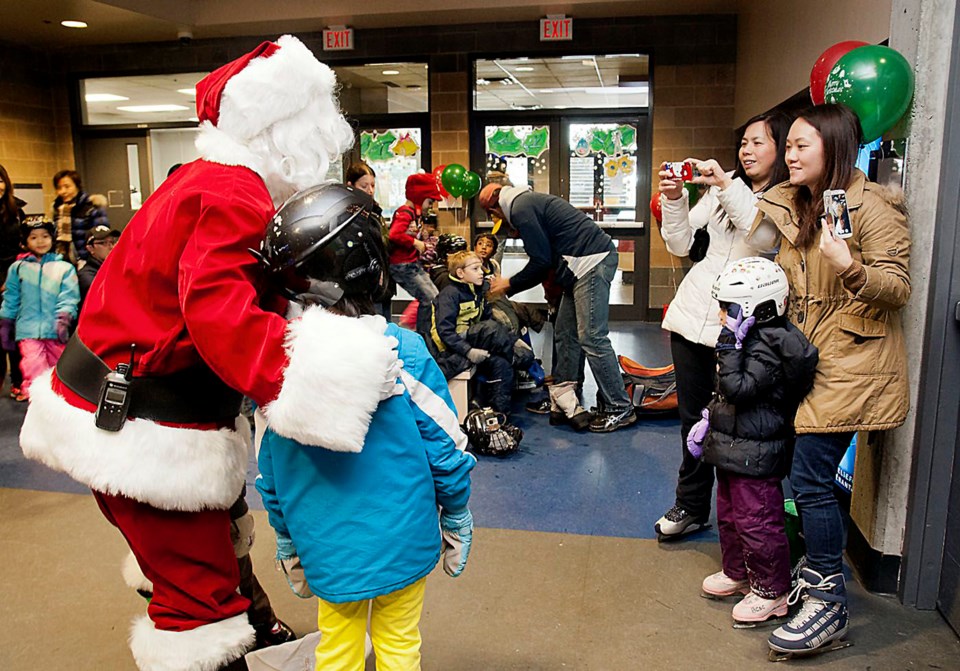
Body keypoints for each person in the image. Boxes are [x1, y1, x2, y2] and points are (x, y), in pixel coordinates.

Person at [19, 36, 401, 671]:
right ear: (283, 130)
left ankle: (256, 631)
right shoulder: (234, 193)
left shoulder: (204, 180)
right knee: (196, 598)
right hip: (143, 426)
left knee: (219, 538)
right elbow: (218, 311)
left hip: (118, 406)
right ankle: (216, 643)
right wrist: (318, 381)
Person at [255, 182, 475, 671]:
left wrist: (287, 535)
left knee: (337, 648)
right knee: (400, 644)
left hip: (327, 548)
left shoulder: (276, 365)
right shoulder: (405, 353)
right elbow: (445, 447)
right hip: (404, 539)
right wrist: (457, 512)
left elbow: (267, 468)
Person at [750, 103, 910, 658]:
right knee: (804, 477)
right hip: (807, 356)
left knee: (812, 476)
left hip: (853, 359)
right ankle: (817, 577)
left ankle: (829, 601)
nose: (789, 156)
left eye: (800, 146)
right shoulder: (799, 205)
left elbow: (897, 287)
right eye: (787, 146)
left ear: (835, 147)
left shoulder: (870, 209)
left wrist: (851, 268)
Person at [654, 111, 793, 541]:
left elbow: (767, 237)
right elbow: (682, 245)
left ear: (781, 149)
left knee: (738, 427)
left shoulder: (788, 196)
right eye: (744, 143)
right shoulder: (719, 193)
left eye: (759, 143)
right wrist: (676, 200)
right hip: (691, 321)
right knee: (693, 424)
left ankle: (744, 521)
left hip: (744, 331)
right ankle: (692, 506)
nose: (747, 151)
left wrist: (726, 185)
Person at [687, 257, 818, 627]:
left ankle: (771, 590)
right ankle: (738, 572)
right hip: (735, 447)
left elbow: (738, 388)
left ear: (754, 308)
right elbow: (725, 394)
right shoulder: (751, 339)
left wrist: (728, 345)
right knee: (729, 516)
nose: (721, 315)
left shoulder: (770, 345)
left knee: (757, 521)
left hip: (756, 454)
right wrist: (710, 419)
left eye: (727, 308)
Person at [481, 183, 633, 433]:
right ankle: (563, 398)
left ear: (495, 208)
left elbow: (540, 261)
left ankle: (619, 407)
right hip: (577, 268)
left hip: (590, 262)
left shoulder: (520, 208)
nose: (512, 232)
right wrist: (553, 293)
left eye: (497, 218)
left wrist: (507, 284)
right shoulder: (527, 204)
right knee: (565, 334)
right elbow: (551, 258)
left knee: (592, 337)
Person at [422, 250, 531, 415]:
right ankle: (517, 357)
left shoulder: (477, 293)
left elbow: (489, 320)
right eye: (475, 269)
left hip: (474, 338)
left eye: (481, 268)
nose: (482, 272)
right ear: (460, 273)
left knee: (501, 364)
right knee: (489, 328)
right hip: (452, 346)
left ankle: (499, 415)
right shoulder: (449, 294)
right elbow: (445, 331)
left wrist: (512, 339)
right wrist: (468, 351)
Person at [0, 220, 79, 401]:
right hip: (28, 329)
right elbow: (11, 297)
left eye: (45, 236)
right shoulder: (18, 268)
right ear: (25, 241)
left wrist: (64, 319)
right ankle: (37, 402)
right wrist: (6, 322)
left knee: (58, 369)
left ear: (52, 239)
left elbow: (69, 296)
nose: (40, 241)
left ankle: (58, 404)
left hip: (55, 329)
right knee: (33, 366)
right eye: (33, 237)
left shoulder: (64, 268)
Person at [345, 162, 394, 320]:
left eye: (373, 185)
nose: (370, 190)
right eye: (364, 186)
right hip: (364, 286)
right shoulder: (347, 213)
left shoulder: (374, 211)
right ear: (350, 185)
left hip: (383, 281)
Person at [389, 172, 441, 304]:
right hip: (402, 265)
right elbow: (394, 234)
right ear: (419, 197)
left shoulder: (412, 215)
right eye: (430, 202)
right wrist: (415, 242)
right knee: (429, 299)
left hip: (412, 264)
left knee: (435, 297)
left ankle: (429, 325)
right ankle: (425, 325)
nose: (430, 206)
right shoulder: (405, 213)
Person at [0, 164, 26, 398]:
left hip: (15, 276)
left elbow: (24, 244)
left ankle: (19, 381)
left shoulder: (17, 210)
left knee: (15, 332)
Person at [51, 169, 108, 264]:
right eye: (59, 188)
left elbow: (102, 239)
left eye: (67, 187)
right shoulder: (58, 209)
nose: (63, 191)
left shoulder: (91, 208)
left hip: (88, 262)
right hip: (64, 262)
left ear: (77, 186)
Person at [77, 224, 120, 305]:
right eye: (104, 243)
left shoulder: (115, 269)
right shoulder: (86, 276)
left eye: (112, 242)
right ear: (90, 248)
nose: (111, 247)